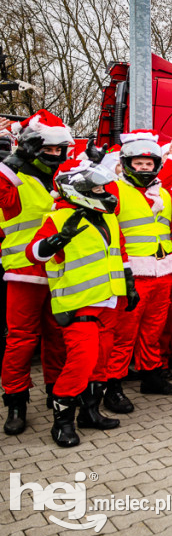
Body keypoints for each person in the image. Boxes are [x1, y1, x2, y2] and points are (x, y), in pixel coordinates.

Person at [27, 160, 135, 447]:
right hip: (78, 304)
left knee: (100, 362)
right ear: (79, 190)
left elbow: (120, 253)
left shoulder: (108, 217)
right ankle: (62, 423)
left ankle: (90, 413)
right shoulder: (59, 218)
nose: (105, 192)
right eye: (98, 188)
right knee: (81, 362)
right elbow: (33, 254)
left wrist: (129, 284)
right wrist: (57, 239)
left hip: (109, 301)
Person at [0, 110, 74, 436]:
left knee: (57, 337)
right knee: (21, 340)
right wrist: (14, 157)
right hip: (23, 272)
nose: (54, 155)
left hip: (59, 271)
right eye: (47, 148)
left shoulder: (62, 179)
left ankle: (56, 393)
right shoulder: (13, 177)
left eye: (59, 149)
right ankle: (15, 401)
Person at [107, 131, 172, 412]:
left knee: (153, 330)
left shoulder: (163, 193)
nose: (143, 168)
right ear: (127, 164)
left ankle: (151, 376)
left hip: (162, 272)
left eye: (148, 164)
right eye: (138, 163)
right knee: (124, 334)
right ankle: (112, 386)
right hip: (132, 273)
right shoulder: (115, 190)